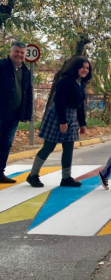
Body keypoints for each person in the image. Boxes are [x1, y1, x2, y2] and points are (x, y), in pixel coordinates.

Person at [26, 56, 91, 187]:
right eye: (82, 67)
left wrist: (82, 124)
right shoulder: (66, 81)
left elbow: (80, 106)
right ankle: (33, 175)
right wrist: (62, 121)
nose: (85, 70)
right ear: (76, 67)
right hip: (58, 115)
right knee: (48, 147)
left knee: (68, 148)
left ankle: (66, 178)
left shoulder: (80, 83)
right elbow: (59, 101)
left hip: (72, 116)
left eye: (87, 68)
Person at [0, 41, 33, 184]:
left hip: (14, 113)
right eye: (17, 51)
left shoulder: (26, 71)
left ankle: (0, 173)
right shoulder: (1, 66)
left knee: (6, 143)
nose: (19, 54)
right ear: (10, 52)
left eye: (22, 53)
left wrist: (27, 114)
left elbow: (29, 93)